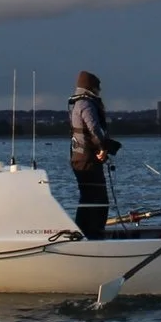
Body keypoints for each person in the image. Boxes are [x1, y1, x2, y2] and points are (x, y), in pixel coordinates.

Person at [68, 70, 116, 239]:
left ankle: (82, 233)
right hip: (87, 160)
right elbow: (93, 128)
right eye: (98, 88)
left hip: (79, 158)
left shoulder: (77, 103)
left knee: (87, 198)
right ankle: (94, 235)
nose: (99, 91)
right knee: (99, 199)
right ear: (91, 88)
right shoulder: (86, 104)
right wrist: (103, 148)